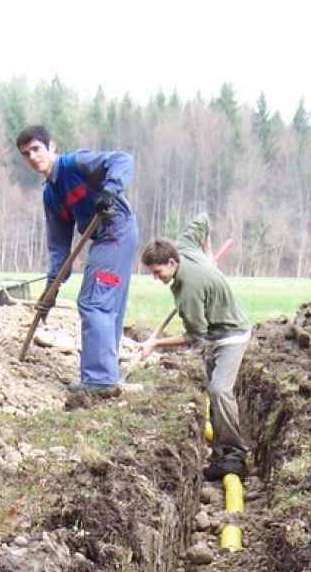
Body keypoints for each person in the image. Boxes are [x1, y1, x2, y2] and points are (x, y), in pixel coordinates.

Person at [16, 126, 139, 401]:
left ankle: (100, 380)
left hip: (116, 230)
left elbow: (122, 160)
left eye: (36, 149)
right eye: (26, 154)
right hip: (102, 237)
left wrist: (110, 190)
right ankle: (107, 372)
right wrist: (51, 290)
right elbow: (59, 249)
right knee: (107, 304)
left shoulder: (74, 163)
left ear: (51, 147)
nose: (33, 157)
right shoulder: (51, 195)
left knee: (94, 301)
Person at [139, 214, 251, 480]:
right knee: (214, 395)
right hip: (215, 334)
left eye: (158, 273)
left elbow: (194, 336)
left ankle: (235, 455)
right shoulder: (185, 245)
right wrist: (207, 253)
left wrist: (156, 344)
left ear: (171, 262)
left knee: (220, 390)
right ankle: (219, 455)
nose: (156, 279)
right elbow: (202, 219)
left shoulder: (189, 288)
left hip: (231, 335)